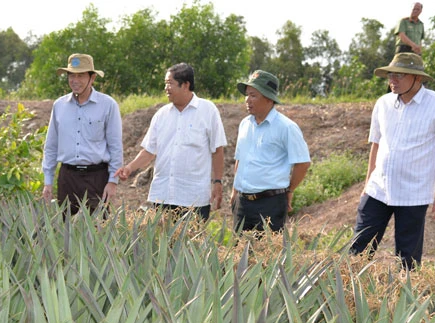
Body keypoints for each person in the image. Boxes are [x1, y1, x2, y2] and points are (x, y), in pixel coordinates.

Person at [349, 52, 435, 270]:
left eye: (400, 75)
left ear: (417, 78)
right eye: (390, 75)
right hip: (378, 190)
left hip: (413, 194)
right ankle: (349, 298)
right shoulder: (383, 103)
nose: (393, 80)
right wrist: (367, 183)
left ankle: (404, 300)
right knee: (358, 250)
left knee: (407, 259)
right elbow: (376, 143)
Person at [114, 63, 226, 221]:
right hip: (163, 197)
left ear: (185, 85)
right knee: (162, 244)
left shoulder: (208, 111)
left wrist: (218, 182)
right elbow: (149, 151)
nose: (166, 88)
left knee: (192, 244)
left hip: (193, 199)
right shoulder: (162, 115)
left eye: (170, 83)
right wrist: (129, 168)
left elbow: (217, 150)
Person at [42, 53, 123, 215]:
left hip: (96, 178)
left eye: (80, 75)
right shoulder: (59, 106)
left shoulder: (108, 105)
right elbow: (51, 146)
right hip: (67, 178)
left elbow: (116, 146)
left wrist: (113, 182)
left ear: (92, 78)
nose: (75, 80)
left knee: (96, 232)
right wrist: (48, 182)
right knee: (66, 231)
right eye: (71, 75)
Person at [230, 70, 311, 233]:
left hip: (270, 205)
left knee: (266, 254)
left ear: (268, 98)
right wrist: (234, 191)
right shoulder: (245, 124)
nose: (247, 100)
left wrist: (290, 190)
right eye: (246, 95)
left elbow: (302, 163)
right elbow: (240, 159)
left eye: (253, 95)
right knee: (239, 254)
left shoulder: (286, 127)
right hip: (242, 203)